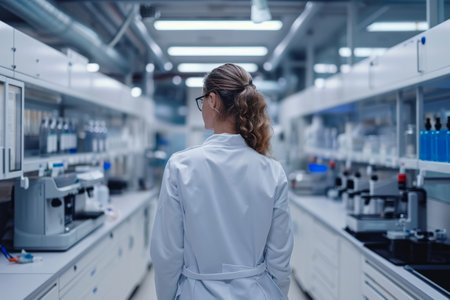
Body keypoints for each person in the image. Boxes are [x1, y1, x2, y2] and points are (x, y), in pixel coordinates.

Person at [150, 63, 293, 300]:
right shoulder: (272, 171)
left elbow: (167, 255)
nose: (202, 108)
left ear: (213, 100)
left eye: (202, 101)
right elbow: (280, 258)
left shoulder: (181, 166)